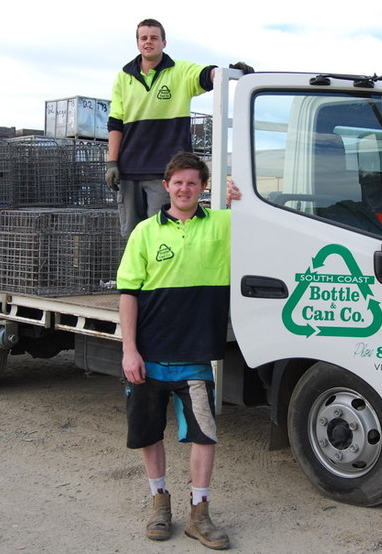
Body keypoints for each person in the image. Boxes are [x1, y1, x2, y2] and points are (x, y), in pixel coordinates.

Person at [116, 151, 239, 549]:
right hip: (148, 356)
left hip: (195, 357)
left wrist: (240, 196)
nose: (185, 188)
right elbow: (128, 295)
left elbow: (264, 220)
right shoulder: (145, 233)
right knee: (149, 434)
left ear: (204, 187)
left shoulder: (223, 224)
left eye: (193, 182)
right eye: (178, 182)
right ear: (166, 186)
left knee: (205, 435)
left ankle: (199, 514)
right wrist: (129, 351)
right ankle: (159, 505)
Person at [105, 17, 252, 237]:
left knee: (163, 234)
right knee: (132, 237)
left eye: (154, 38)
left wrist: (226, 73)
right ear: (137, 43)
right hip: (129, 170)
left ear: (164, 42)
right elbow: (115, 123)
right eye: (143, 38)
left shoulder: (180, 71)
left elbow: (205, 75)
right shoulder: (123, 77)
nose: (148, 42)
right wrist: (112, 163)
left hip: (165, 172)